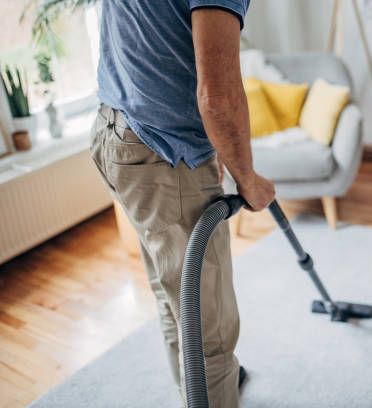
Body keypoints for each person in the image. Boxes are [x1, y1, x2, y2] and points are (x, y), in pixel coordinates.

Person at [89, 1, 275, 407]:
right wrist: (248, 179)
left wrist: (214, 152)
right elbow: (218, 99)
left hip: (116, 132)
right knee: (211, 335)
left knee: (176, 297)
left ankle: (198, 392)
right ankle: (209, 384)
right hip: (162, 153)